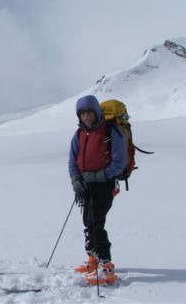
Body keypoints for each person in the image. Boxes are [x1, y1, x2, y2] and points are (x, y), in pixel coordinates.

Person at [68, 95, 127, 285]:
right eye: (82, 113)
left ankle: (106, 264)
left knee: (96, 222)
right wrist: (76, 179)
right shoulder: (79, 134)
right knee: (88, 221)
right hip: (85, 185)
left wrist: (98, 176)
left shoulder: (111, 131)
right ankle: (92, 259)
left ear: (97, 112)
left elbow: (119, 162)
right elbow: (72, 160)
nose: (86, 116)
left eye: (89, 112)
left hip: (104, 184)